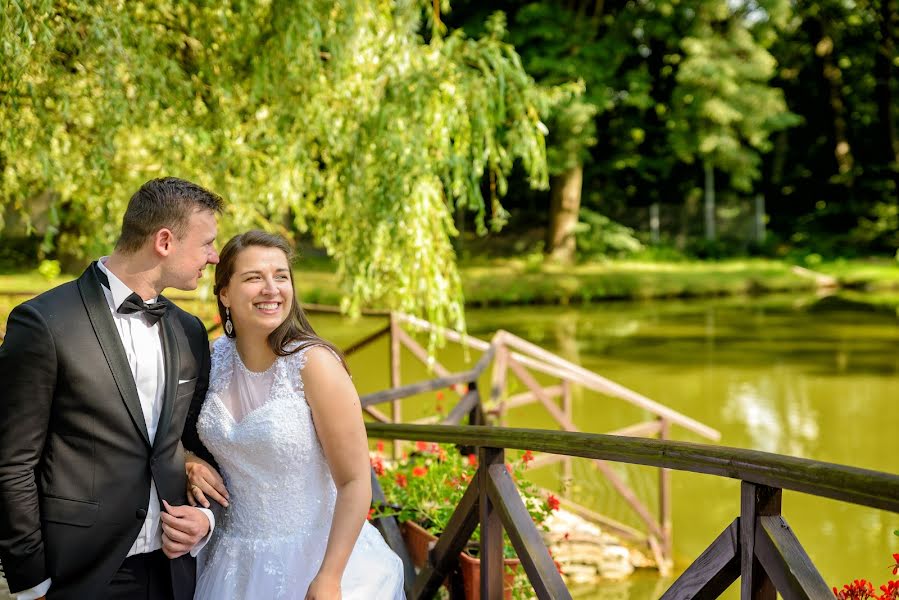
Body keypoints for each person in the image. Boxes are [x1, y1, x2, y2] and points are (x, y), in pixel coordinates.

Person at [0, 177, 225, 600]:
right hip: (80, 574)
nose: (213, 257)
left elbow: (197, 442)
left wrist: (204, 520)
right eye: (207, 243)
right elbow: (12, 463)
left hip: (173, 572)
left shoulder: (189, 330)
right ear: (164, 241)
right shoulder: (45, 324)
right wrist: (32, 582)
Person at [186, 230, 404, 600]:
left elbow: (354, 481)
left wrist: (330, 577)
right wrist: (188, 461)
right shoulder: (208, 359)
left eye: (281, 276)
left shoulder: (314, 364)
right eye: (254, 278)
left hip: (318, 560)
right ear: (224, 293)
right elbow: (171, 434)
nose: (272, 288)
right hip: (231, 561)